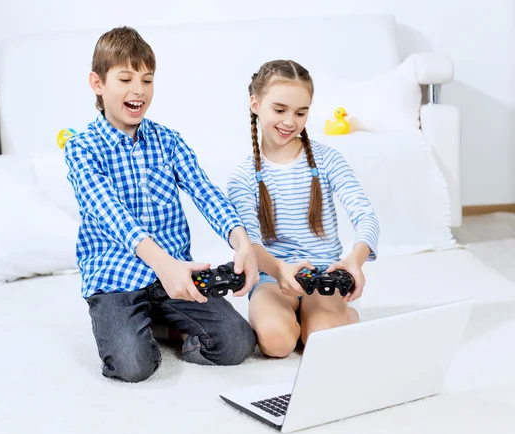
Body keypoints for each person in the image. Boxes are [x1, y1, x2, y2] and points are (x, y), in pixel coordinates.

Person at [64, 27, 258, 382]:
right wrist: (163, 264)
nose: (138, 90)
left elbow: (205, 191)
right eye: (125, 79)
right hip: (116, 277)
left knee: (235, 343)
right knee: (132, 366)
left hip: (175, 277)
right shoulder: (81, 147)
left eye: (147, 80)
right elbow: (111, 213)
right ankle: (138, 327)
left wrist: (241, 241)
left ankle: (166, 326)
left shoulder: (168, 140)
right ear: (97, 83)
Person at [227, 60, 380, 358]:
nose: (290, 122)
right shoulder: (242, 178)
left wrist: (354, 261)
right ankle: (297, 319)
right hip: (273, 274)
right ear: (255, 104)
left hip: (324, 274)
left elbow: (365, 215)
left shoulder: (328, 160)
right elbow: (250, 243)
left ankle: (338, 316)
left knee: (323, 343)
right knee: (276, 342)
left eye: (301, 112)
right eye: (280, 110)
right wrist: (278, 270)